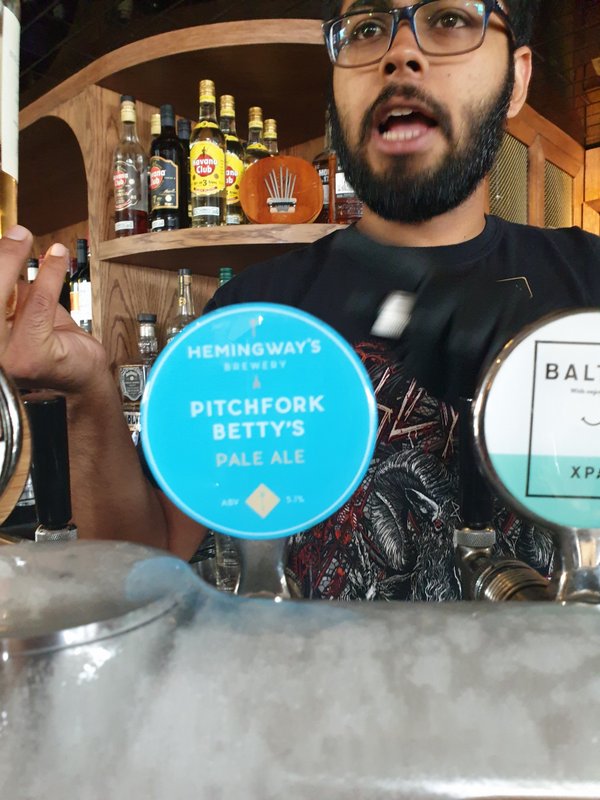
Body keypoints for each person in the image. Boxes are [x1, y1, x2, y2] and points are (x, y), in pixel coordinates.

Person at [1, 0, 599, 600]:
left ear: (516, 78)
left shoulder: (589, 278)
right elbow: (143, 557)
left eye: (449, 19)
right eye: (367, 28)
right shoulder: (250, 316)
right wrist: (87, 393)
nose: (400, 53)